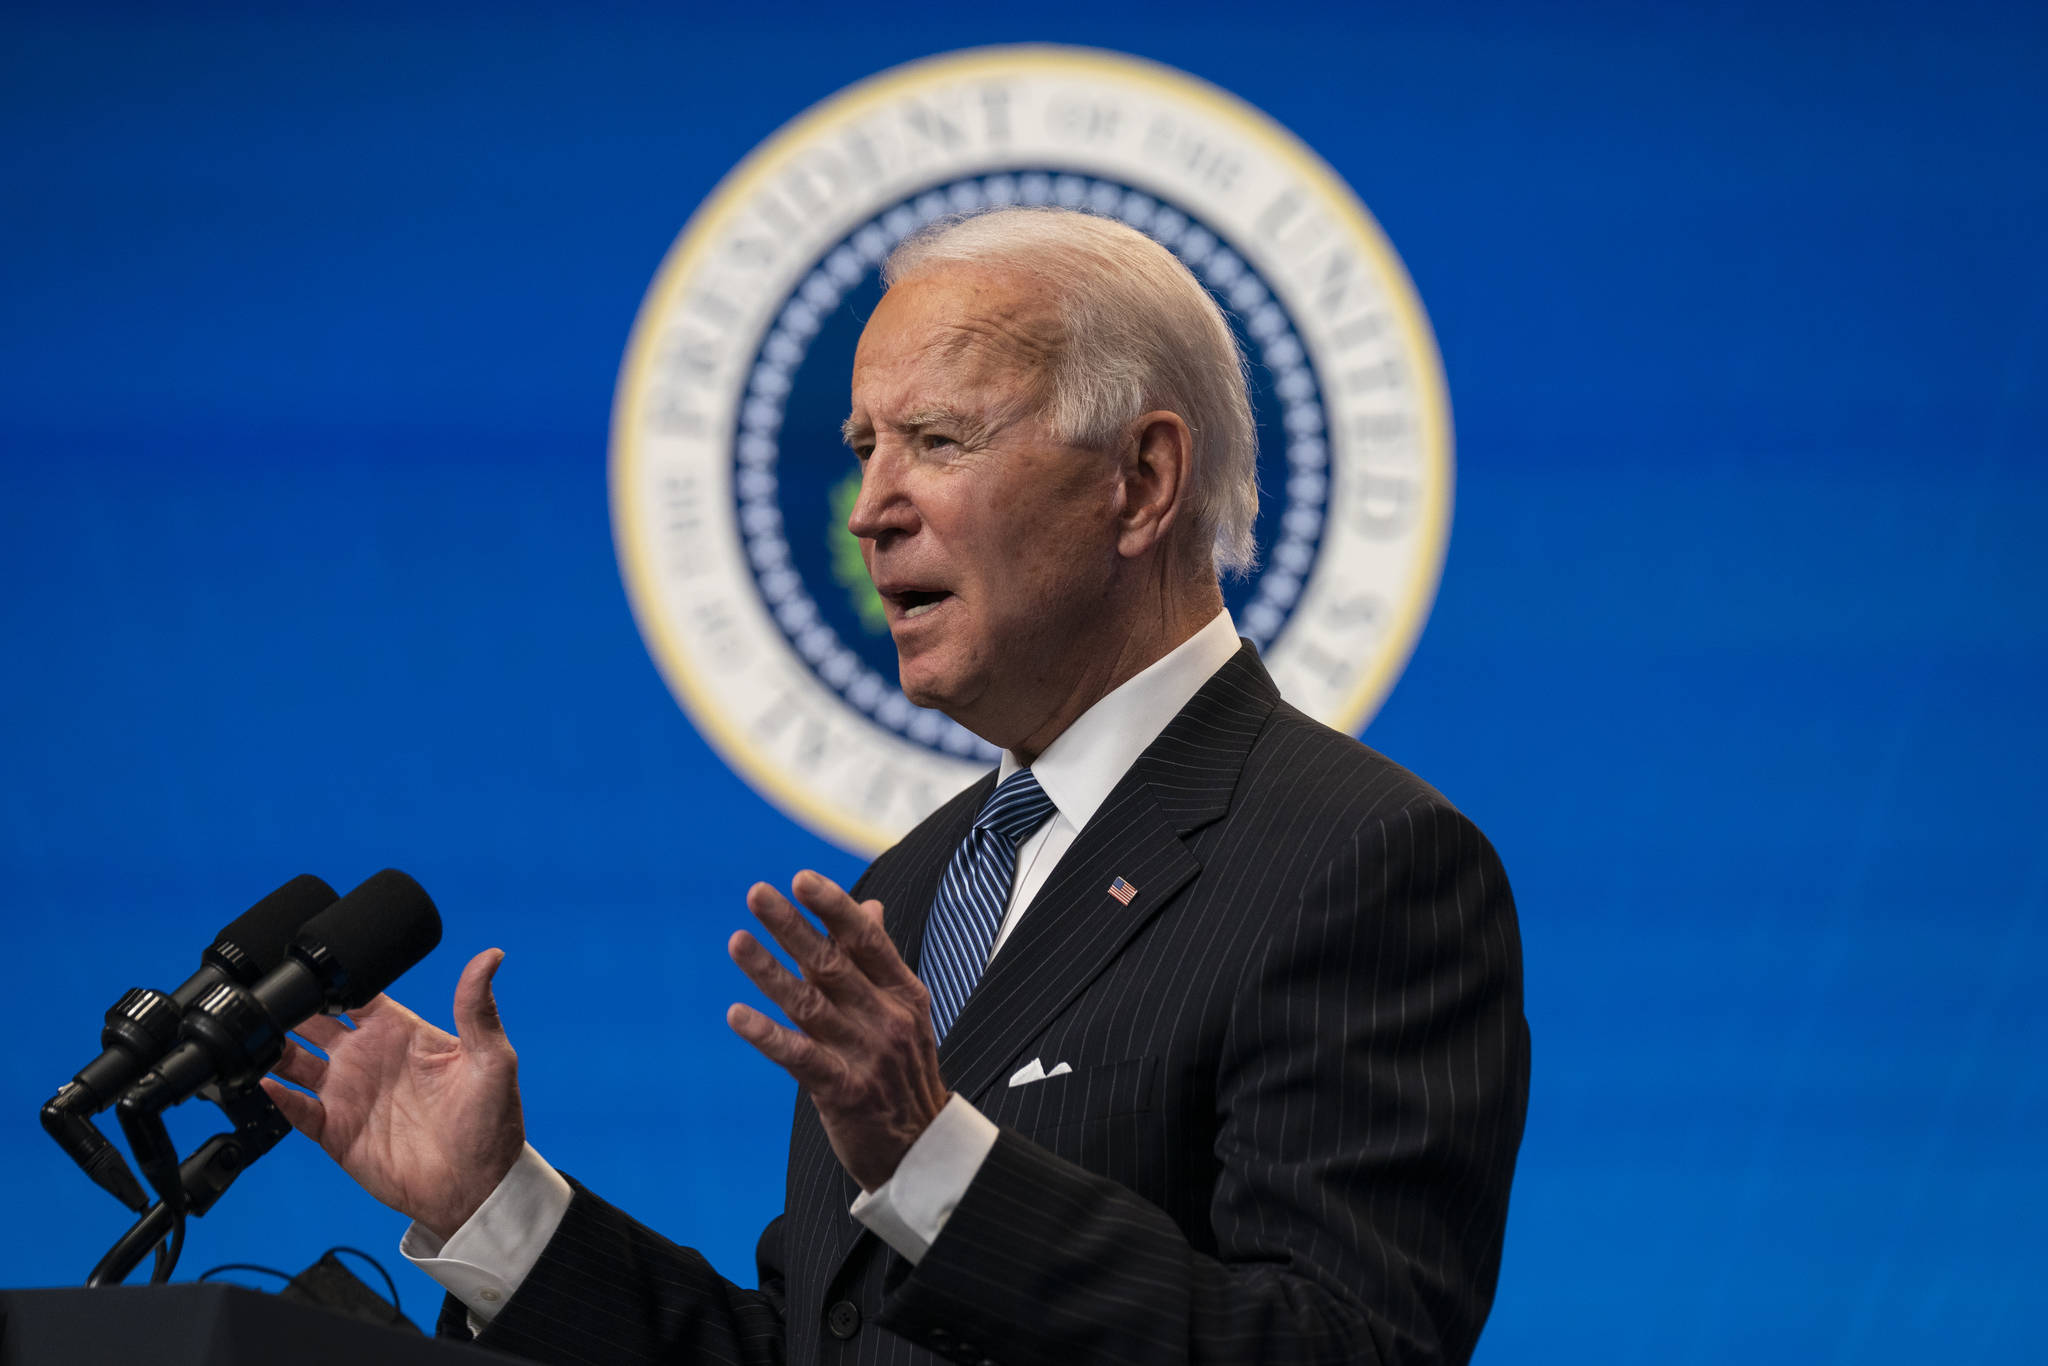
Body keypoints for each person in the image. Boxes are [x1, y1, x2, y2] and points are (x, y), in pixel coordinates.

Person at [263, 207, 1530, 1366]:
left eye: (938, 438)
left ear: (1140, 482)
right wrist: (497, 1209)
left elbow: (1344, 1352)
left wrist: (941, 1166)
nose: (870, 510)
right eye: (866, 447)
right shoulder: (916, 886)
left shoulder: (1361, 858)